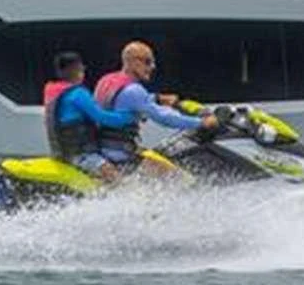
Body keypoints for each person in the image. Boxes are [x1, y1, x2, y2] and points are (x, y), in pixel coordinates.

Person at [92, 40, 217, 168]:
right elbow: (164, 118)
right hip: (121, 156)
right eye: (148, 62)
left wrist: (158, 98)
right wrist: (201, 122)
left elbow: (123, 102)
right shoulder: (134, 91)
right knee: (178, 177)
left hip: (103, 150)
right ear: (133, 62)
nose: (152, 67)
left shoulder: (107, 80)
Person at [43, 50, 135, 183]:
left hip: (63, 154)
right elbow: (102, 117)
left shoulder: (53, 91)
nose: (83, 72)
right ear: (72, 69)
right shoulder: (77, 94)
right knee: (118, 181)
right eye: (80, 69)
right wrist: (128, 117)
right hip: (84, 155)